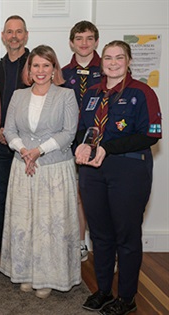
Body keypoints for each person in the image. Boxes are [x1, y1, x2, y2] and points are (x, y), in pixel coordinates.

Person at [75, 40, 162, 315]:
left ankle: (126, 297)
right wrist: (79, 145)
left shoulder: (142, 92)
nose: (113, 63)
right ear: (102, 62)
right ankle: (102, 291)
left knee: (126, 236)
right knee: (99, 235)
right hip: (92, 172)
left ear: (128, 61)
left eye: (119, 58)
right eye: (109, 58)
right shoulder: (91, 94)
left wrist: (107, 148)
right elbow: (83, 130)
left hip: (128, 171)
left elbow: (151, 134)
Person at [0, 45, 81, 299]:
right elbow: (9, 129)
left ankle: (48, 277)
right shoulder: (18, 95)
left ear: (54, 68)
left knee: (49, 224)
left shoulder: (66, 95)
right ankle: (25, 273)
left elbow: (69, 132)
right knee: (25, 221)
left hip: (53, 169)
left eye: (47, 65)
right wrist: (24, 150)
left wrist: (38, 151)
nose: (41, 70)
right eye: (36, 65)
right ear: (29, 69)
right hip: (23, 166)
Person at [0, 15, 30, 267]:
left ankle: (27, 249)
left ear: (26, 35)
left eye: (19, 32)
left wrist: (13, 131)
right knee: (2, 196)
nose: (14, 36)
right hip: (0, 143)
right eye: (9, 32)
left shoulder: (36, 65)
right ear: (3, 36)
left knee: (28, 198)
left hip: (29, 146)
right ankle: (5, 249)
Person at [62, 21, 102, 262]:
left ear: (96, 41)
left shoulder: (108, 68)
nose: (84, 43)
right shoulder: (63, 73)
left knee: (99, 194)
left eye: (89, 38)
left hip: (101, 140)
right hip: (73, 139)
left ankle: (103, 244)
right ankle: (80, 242)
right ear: (71, 42)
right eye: (79, 38)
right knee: (78, 194)